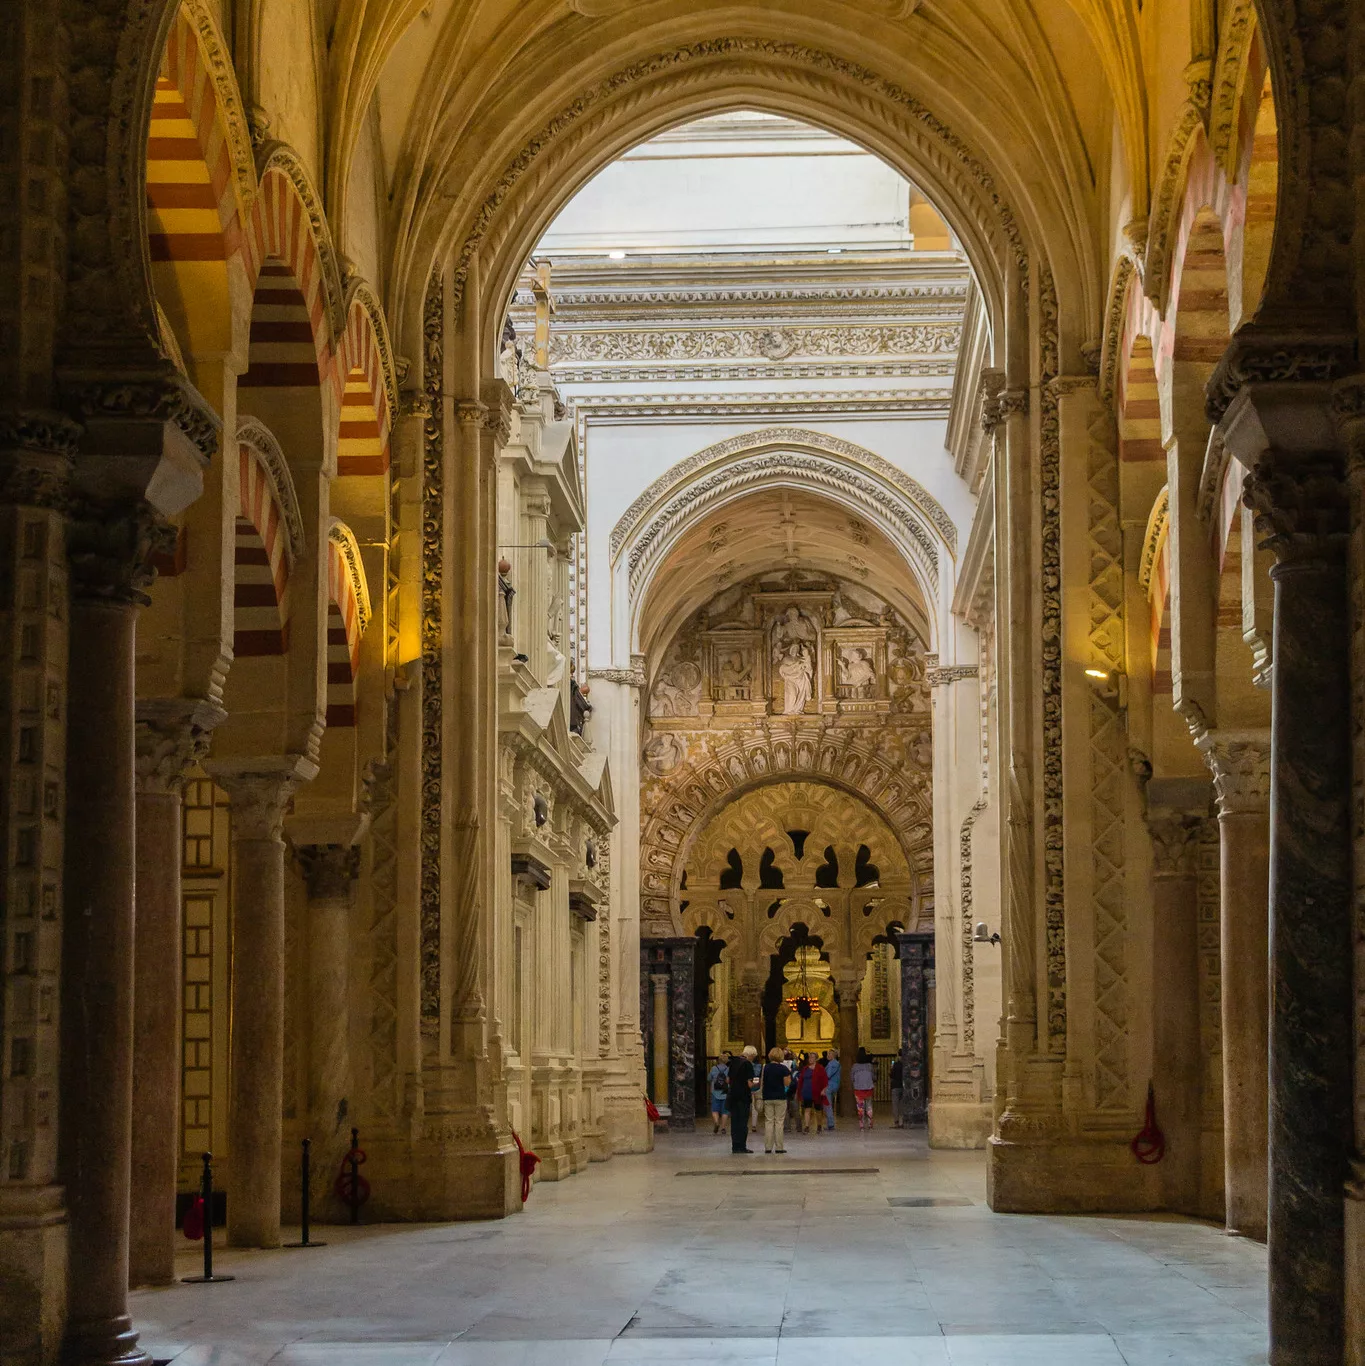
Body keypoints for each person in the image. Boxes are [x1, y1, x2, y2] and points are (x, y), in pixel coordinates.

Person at [727, 1044, 759, 1153]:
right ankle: (741, 1146)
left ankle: (735, 1146)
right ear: (750, 1055)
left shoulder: (734, 1062)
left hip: (733, 1096)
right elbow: (750, 1084)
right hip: (743, 1097)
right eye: (753, 1056)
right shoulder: (747, 1065)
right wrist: (757, 1083)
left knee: (735, 1122)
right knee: (742, 1122)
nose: (753, 1058)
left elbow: (728, 1080)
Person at [760, 1047, 792, 1153]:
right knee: (779, 1122)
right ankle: (779, 1147)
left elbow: (762, 1081)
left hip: (768, 1097)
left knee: (769, 1122)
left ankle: (768, 1147)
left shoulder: (765, 1067)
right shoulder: (783, 1069)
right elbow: (787, 1083)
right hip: (780, 1097)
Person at [852, 1047, 876, 1130]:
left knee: (860, 1108)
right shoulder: (869, 1066)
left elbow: (852, 1078)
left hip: (858, 1090)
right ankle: (870, 1124)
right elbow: (873, 1077)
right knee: (869, 1107)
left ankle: (861, 1126)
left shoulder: (854, 1066)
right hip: (868, 1088)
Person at [708, 1052, 730, 1134]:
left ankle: (716, 1122)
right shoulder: (728, 1069)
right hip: (725, 1092)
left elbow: (709, 1078)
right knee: (725, 1111)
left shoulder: (714, 1068)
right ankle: (723, 1128)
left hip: (715, 1092)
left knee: (715, 1110)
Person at [824, 1048, 841, 1130]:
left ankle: (830, 1124)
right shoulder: (837, 1063)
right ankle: (830, 1123)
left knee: (828, 1105)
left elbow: (828, 1075)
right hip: (835, 1085)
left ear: (833, 1055)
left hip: (829, 1086)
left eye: (829, 1054)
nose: (828, 1055)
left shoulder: (831, 1064)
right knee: (830, 1105)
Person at [889, 1054, 904, 1128]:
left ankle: (896, 1122)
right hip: (903, 1086)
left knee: (895, 1105)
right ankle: (903, 1121)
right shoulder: (906, 1065)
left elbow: (891, 1075)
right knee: (902, 1105)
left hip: (895, 1086)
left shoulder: (895, 1064)